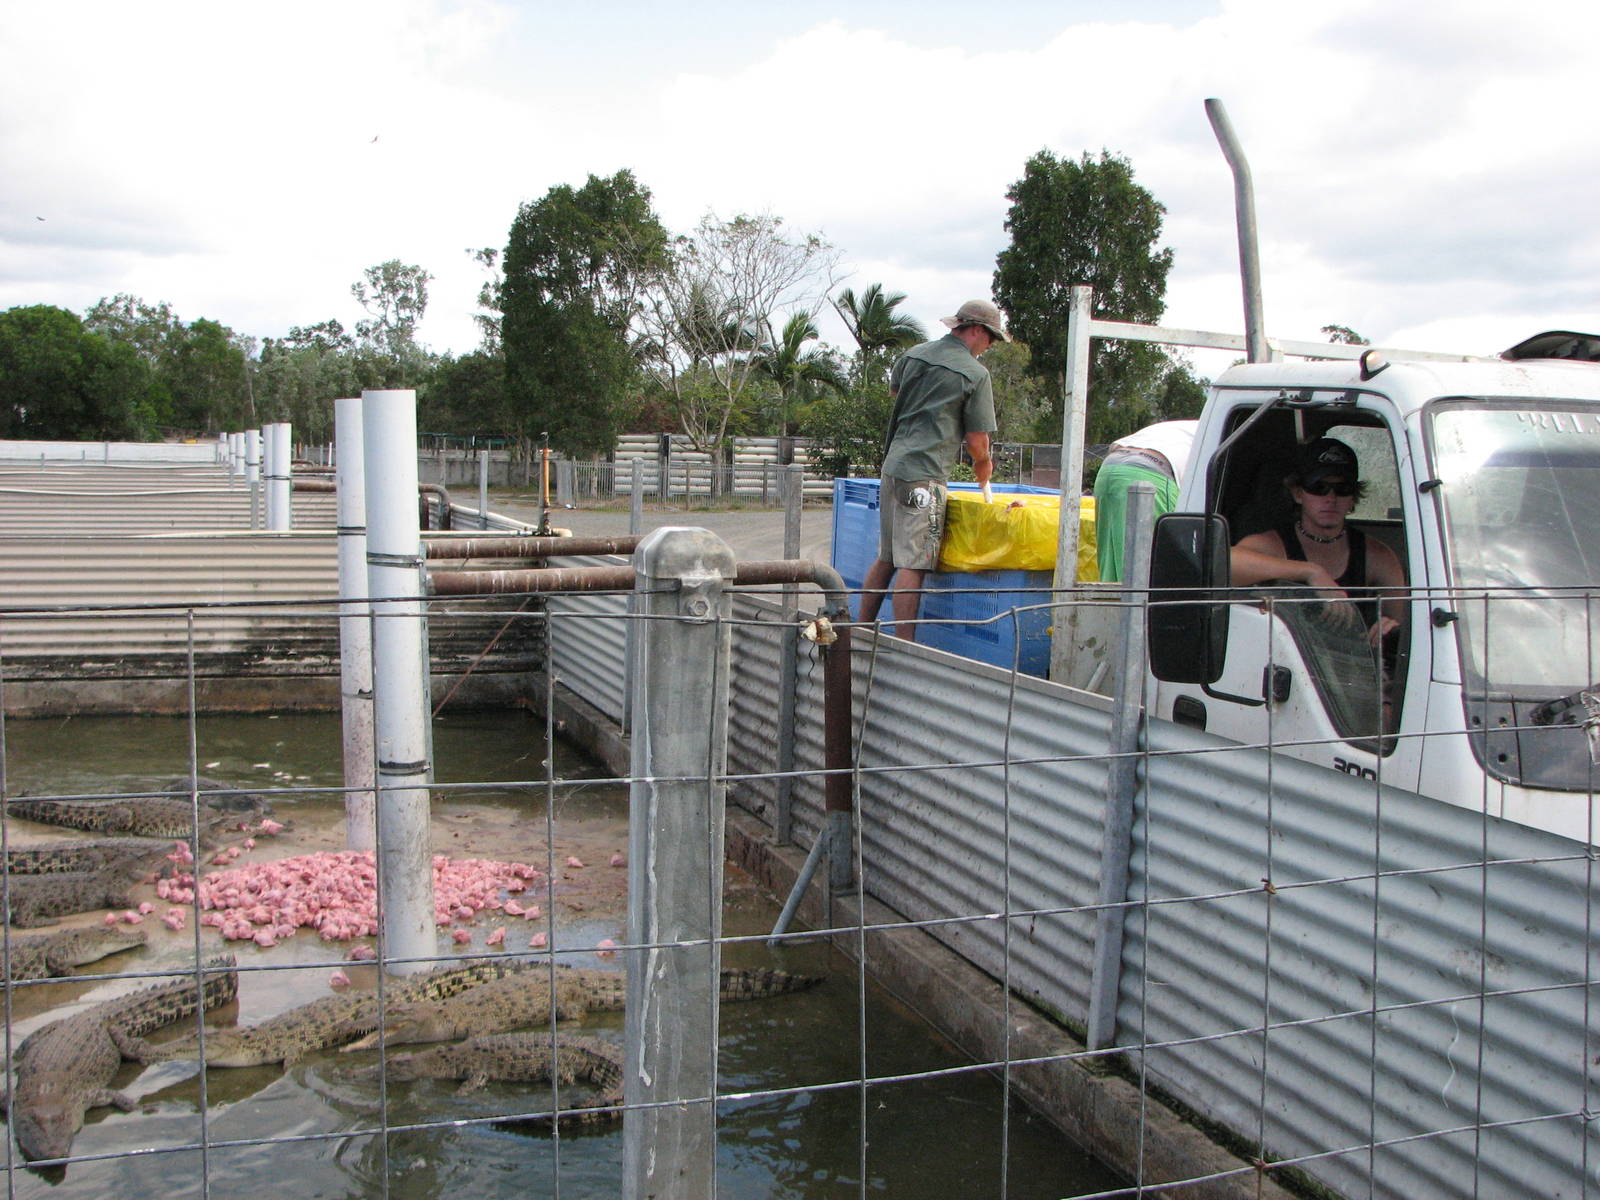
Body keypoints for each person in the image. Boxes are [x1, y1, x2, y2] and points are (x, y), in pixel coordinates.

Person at [857, 299, 1005, 638]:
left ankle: (861, 629)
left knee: (887, 556)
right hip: (925, 475)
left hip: (894, 465)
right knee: (914, 562)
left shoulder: (913, 355)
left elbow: (897, 392)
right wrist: (984, 467)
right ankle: (907, 647)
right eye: (992, 339)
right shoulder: (974, 373)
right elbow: (977, 441)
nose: (989, 347)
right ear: (978, 331)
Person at [1230, 437, 1406, 648]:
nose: (1330, 498)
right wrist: (1312, 573)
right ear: (1298, 493)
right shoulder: (1273, 544)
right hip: (1288, 665)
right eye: (1318, 487)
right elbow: (1227, 563)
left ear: (1352, 498)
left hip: (1354, 668)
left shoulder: (1376, 555)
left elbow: (1404, 626)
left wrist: (1390, 627)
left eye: (1342, 489)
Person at [1092, 419, 1198, 582]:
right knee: (1158, 573)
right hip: (1153, 470)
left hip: (1109, 467)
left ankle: (1113, 607)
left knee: (1112, 565)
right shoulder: (1225, 429)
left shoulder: (1199, 424)